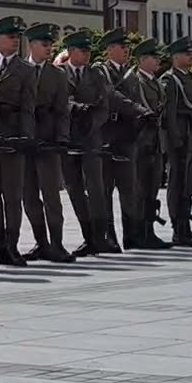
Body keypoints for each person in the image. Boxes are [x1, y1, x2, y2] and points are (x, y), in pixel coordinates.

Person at [21, 23, 75, 263]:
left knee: (51, 196)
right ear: (31, 45)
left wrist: (62, 138)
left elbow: (63, 111)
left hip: (48, 140)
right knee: (29, 196)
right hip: (23, 142)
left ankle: (57, 243)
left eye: (51, 45)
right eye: (44, 45)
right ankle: (40, 243)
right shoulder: (18, 70)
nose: (49, 49)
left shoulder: (57, 75)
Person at [0, 16, 36, 267]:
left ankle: (12, 246)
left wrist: (25, 137)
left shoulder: (26, 70)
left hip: (13, 138)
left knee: (13, 196)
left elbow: (28, 107)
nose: (15, 41)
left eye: (17, 37)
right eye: (10, 37)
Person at [61, 29, 115, 257]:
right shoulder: (58, 73)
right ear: (71, 52)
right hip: (66, 138)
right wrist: (73, 109)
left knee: (95, 187)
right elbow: (56, 101)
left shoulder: (96, 75)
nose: (87, 55)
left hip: (91, 138)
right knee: (73, 187)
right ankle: (87, 235)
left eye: (88, 51)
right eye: (82, 51)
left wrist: (90, 125)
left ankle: (100, 237)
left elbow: (104, 107)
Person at [94, 28, 150, 247]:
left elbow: (136, 98)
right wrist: (137, 109)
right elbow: (110, 96)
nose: (126, 51)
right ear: (109, 50)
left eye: (127, 48)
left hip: (127, 136)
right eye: (122, 47)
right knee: (105, 188)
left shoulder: (131, 74)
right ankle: (109, 236)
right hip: (106, 135)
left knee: (130, 188)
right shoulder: (100, 72)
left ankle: (132, 235)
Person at [123, 38, 170, 249]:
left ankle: (148, 231)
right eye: (153, 57)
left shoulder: (155, 81)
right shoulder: (134, 81)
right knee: (140, 189)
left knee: (152, 189)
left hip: (156, 142)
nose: (158, 60)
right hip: (141, 142)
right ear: (142, 60)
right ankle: (138, 233)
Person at [161, 36, 192, 246]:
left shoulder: (191, 78)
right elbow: (169, 113)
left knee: (189, 185)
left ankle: (186, 227)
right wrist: (174, 138)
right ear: (175, 57)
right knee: (177, 184)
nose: (191, 57)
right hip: (179, 138)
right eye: (187, 54)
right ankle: (178, 230)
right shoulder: (170, 80)